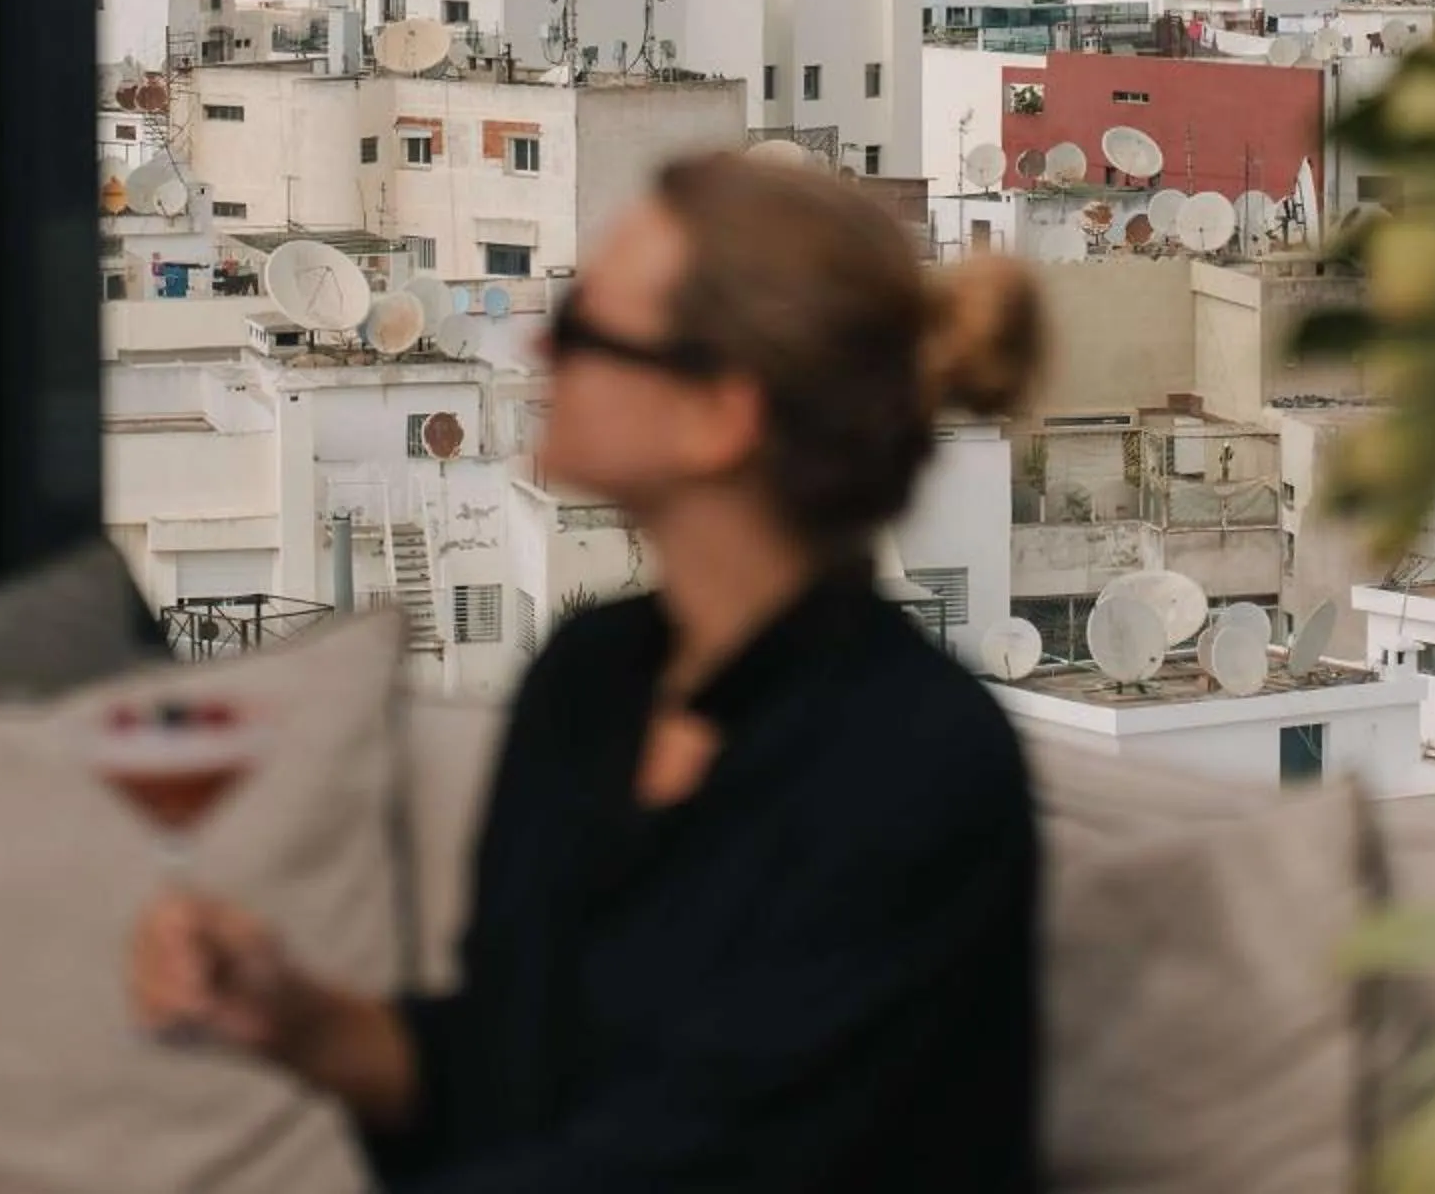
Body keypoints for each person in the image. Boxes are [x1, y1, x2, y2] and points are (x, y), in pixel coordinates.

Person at [132, 150, 1047, 1191]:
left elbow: (705, 1160)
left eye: (581, 328)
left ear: (720, 414)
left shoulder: (915, 761)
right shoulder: (594, 675)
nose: (534, 343)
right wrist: (299, 1016)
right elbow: (510, 1070)